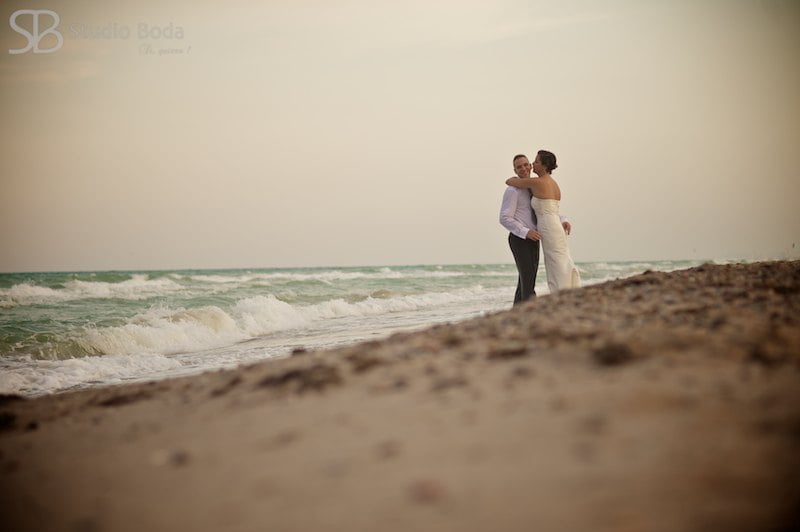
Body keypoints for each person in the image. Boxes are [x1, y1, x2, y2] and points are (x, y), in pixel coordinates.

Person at [499, 154, 572, 304]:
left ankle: (516, 314)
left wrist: (563, 219)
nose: (524, 168)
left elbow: (547, 210)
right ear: (514, 169)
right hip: (520, 240)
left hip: (535, 238)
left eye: (526, 164)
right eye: (519, 167)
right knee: (528, 281)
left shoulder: (534, 186)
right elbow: (504, 218)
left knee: (526, 280)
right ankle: (530, 311)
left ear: (531, 166)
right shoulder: (513, 191)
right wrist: (526, 232)